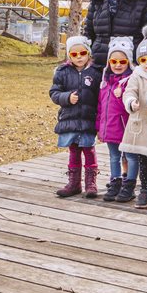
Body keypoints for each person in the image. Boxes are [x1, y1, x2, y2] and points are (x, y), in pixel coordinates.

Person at [49, 36, 101, 198]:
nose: (79, 56)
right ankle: (74, 183)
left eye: (82, 53)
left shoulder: (95, 73)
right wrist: (67, 98)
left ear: (88, 54)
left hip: (88, 118)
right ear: (69, 55)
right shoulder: (62, 72)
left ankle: (91, 183)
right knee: (74, 150)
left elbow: (100, 95)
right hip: (69, 118)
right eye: (74, 54)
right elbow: (54, 93)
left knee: (89, 149)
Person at [121, 26, 147, 209]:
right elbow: (129, 92)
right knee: (143, 161)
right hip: (142, 123)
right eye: (143, 60)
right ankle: (145, 189)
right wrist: (131, 102)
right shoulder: (136, 76)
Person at [96, 37, 134, 203]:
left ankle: (129, 183)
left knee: (130, 157)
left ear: (128, 62)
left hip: (126, 128)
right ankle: (115, 180)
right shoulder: (105, 83)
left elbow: (131, 104)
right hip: (110, 128)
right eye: (114, 61)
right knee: (113, 156)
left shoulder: (129, 81)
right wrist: (99, 127)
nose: (118, 65)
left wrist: (122, 95)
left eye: (122, 61)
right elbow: (100, 108)